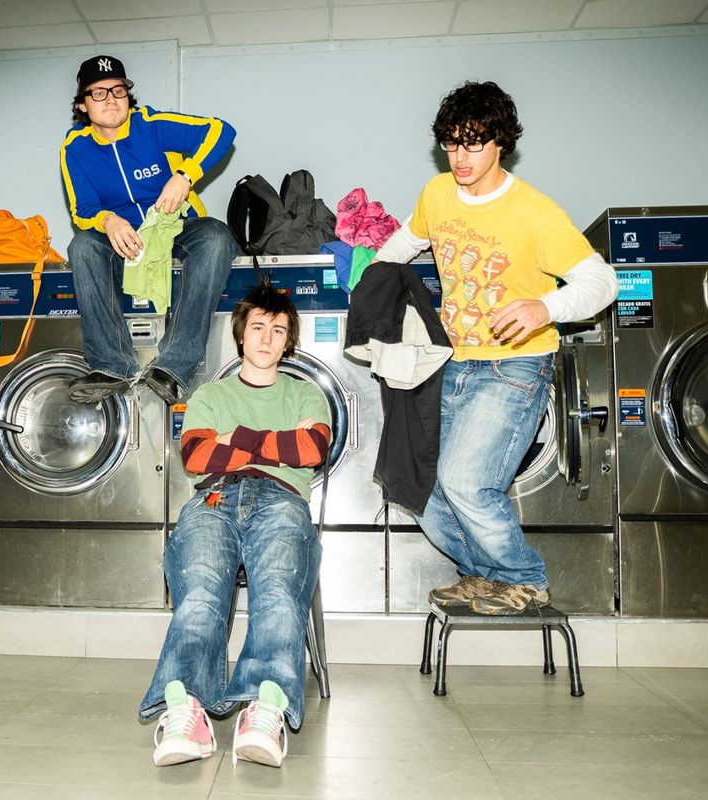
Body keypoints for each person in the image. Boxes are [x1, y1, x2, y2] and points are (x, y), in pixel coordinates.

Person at [373, 81, 618, 614]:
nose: (460, 157)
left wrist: (544, 307)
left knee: (465, 481)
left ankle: (525, 578)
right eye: (451, 143)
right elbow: (405, 243)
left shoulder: (535, 211)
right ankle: (484, 574)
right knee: (418, 483)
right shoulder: (437, 194)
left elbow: (603, 282)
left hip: (515, 365)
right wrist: (372, 281)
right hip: (449, 364)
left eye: (474, 143)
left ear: (501, 142)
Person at [138, 282, 330, 768]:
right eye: (258, 328)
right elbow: (197, 456)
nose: (266, 338)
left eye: (278, 331)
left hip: (282, 501)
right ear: (241, 335)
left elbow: (312, 449)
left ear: (288, 342)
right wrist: (277, 444)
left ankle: (264, 709)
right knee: (201, 591)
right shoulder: (210, 394)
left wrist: (236, 438)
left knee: (278, 591)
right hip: (215, 497)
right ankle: (187, 712)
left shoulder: (306, 394)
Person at [60, 54, 239, 405]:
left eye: (118, 90)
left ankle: (172, 367)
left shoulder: (151, 124)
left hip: (176, 228)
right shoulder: (75, 149)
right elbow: (82, 210)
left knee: (217, 237)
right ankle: (111, 365)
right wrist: (108, 220)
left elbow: (221, 131)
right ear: (82, 104)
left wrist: (185, 176)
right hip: (124, 240)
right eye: (99, 93)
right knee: (82, 246)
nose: (111, 99)